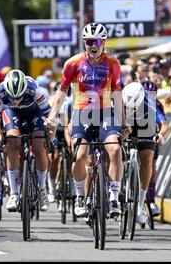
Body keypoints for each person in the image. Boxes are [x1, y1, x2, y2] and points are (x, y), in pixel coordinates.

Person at [45, 22, 126, 218]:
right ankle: (80, 196)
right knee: (80, 156)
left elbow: (116, 94)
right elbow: (62, 91)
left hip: (106, 112)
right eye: (89, 41)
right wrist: (53, 116)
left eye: (97, 41)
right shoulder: (72, 63)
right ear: (84, 42)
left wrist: (124, 122)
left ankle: (114, 196)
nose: (93, 45)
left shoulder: (112, 64)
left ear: (103, 42)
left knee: (114, 150)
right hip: (81, 113)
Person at [0, 69, 51, 212]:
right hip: (12, 112)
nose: (15, 100)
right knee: (12, 142)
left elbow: (50, 117)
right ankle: (14, 193)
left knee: (39, 146)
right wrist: (0, 140)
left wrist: (50, 136)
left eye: (19, 97)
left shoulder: (35, 90)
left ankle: (42, 189)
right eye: (12, 97)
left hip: (34, 112)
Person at [123, 82, 168, 224]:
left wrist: (160, 135)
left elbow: (164, 125)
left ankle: (140, 204)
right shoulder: (118, 99)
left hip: (146, 127)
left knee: (148, 157)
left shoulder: (151, 102)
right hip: (126, 125)